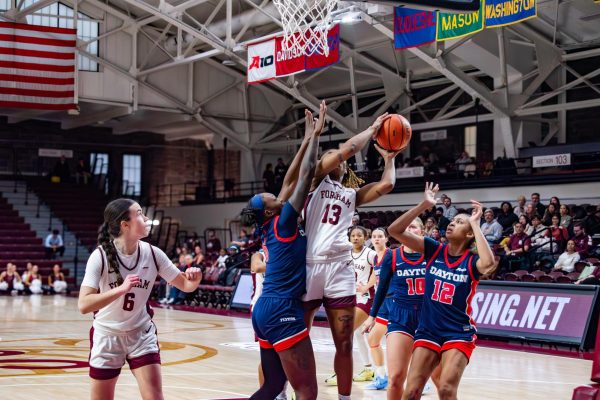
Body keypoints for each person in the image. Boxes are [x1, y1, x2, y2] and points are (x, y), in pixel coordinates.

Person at [302, 111, 399, 400]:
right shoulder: (315, 180)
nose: (339, 159)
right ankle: (293, 391)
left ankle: (345, 398)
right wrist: (372, 129)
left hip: (340, 268)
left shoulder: (351, 194)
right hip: (310, 265)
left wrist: (390, 158)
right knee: (298, 337)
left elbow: (386, 186)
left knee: (343, 341)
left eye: (340, 160)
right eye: (333, 156)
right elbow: (349, 149)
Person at [240, 103, 326, 400]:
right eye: (271, 197)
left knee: (273, 386)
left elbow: (289, 181)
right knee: (307, 390)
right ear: (267, 211)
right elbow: (304, 177)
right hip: (281, 309)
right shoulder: (284, 222)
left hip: (264, 310)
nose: (277, 195)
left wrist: (304, 140)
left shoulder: (270, 224)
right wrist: (316, 138)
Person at [78, 198, 202, 400]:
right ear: (124, 225)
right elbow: (84, 304)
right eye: (140, 214)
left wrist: (194, 279)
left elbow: (185, 285)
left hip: (141, 334)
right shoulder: (99, 257)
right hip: (108, 335)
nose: (146, 219)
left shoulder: (153, 254)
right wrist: (121, 289)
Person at [386, 182, 496, 400]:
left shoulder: (472, 262)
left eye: (459, 223)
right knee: (411, 392)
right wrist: (423, 205)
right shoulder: (434, 249)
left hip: (458, 332)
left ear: (469, 234)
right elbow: (394, 231)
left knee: (446, 389)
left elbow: (489, 264)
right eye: (453, 221)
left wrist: (475, 223)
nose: (452, 224)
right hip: (428, 330)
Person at [363, 218, 435, 399]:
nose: (409, 229)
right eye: (407, 226)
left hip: (428, 318)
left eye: (414, 227)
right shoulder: (392, 256)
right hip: (400, 315)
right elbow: (381, 289)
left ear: (422, 232)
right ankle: (381, 377)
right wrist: (372, 316)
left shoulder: (433, 254)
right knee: (395, 378)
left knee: (421, 382)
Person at [250, 250, 289, 400]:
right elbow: (257, 267)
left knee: (282, 356)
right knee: (269, 357)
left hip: (279, 306)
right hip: (262, 307)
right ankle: (267, 393)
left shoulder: (286, 250)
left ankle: (280, 394)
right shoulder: (260, 255)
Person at [348, 226, 377, 383]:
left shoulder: (370, 253)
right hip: (350, 297)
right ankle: (368, 369)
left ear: (365, 237)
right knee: (358, 334)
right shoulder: (347, 252)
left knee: (345, 333)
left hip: (366, 298)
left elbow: (378, 270)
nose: (356, 237)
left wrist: (366, 286)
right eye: (353, 235)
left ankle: (341, 371)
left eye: (359, 235)